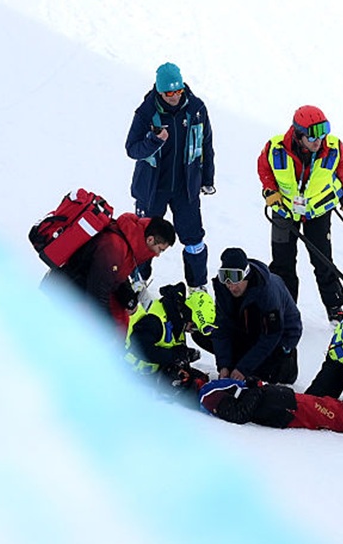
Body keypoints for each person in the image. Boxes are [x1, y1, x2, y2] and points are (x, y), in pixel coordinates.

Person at [125, 61, 216, 292]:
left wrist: (207, 180)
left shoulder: (196, 109)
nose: (174, 96)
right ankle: (138, 281)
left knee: (194, 238)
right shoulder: (146, 112)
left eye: (178, 91)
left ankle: (197, 287)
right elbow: (132, 149)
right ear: (159, 90)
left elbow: (206, 145)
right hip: (153, 189)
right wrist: (154, 141)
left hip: (186, 188)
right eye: (168, 92)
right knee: (146, 236)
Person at [257, 105, 343, 323]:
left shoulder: (335, 147)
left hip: (318, 211)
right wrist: (270, 189)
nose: (319, 141)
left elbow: (342, 166)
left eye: (323, 133)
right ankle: (284, 306)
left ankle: (334, 306)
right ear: (298, 136)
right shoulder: (275, 147)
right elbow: (264, 169)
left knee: (322, 260)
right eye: (312, 136)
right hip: (284, 210)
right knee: (282, 263)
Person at [45, 212, 176, 333]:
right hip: (64, 295)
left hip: (77, 289)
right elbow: (97, 292)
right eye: (160, 249)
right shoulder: (114, 247)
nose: (158, 255)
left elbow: (115, 275)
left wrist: (128, 297)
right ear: (150, 239)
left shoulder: (128, 241)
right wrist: (107, 330)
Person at [198, 379, 343, 445]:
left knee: (342, 409)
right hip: (291, 409)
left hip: (291, 402)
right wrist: (255, 387)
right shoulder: (212, 397)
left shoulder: (219, 393)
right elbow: (240, 415)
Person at [211, 247, 302, 385]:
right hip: (247, 329)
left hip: (279, 336)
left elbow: (272, 335)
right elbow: (221, 328)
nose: (232, 287)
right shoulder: (223, 289)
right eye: (225, 278)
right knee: (204, 335)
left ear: (246, 275)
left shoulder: (267, 292)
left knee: (260, 375)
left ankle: (286, 365)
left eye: (236, 279)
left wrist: (243, 368)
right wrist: (224, 366)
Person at [125, 282, 215, 397]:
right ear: (188, 314)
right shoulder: (155, 320)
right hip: (131, 371)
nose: (192, 331)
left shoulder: (176, 319)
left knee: (198, 380)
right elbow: (140, 349)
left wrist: (184, 355)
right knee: (188, 391)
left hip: (155, 369)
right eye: (194, 326)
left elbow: (170, 346)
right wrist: (175, 355)